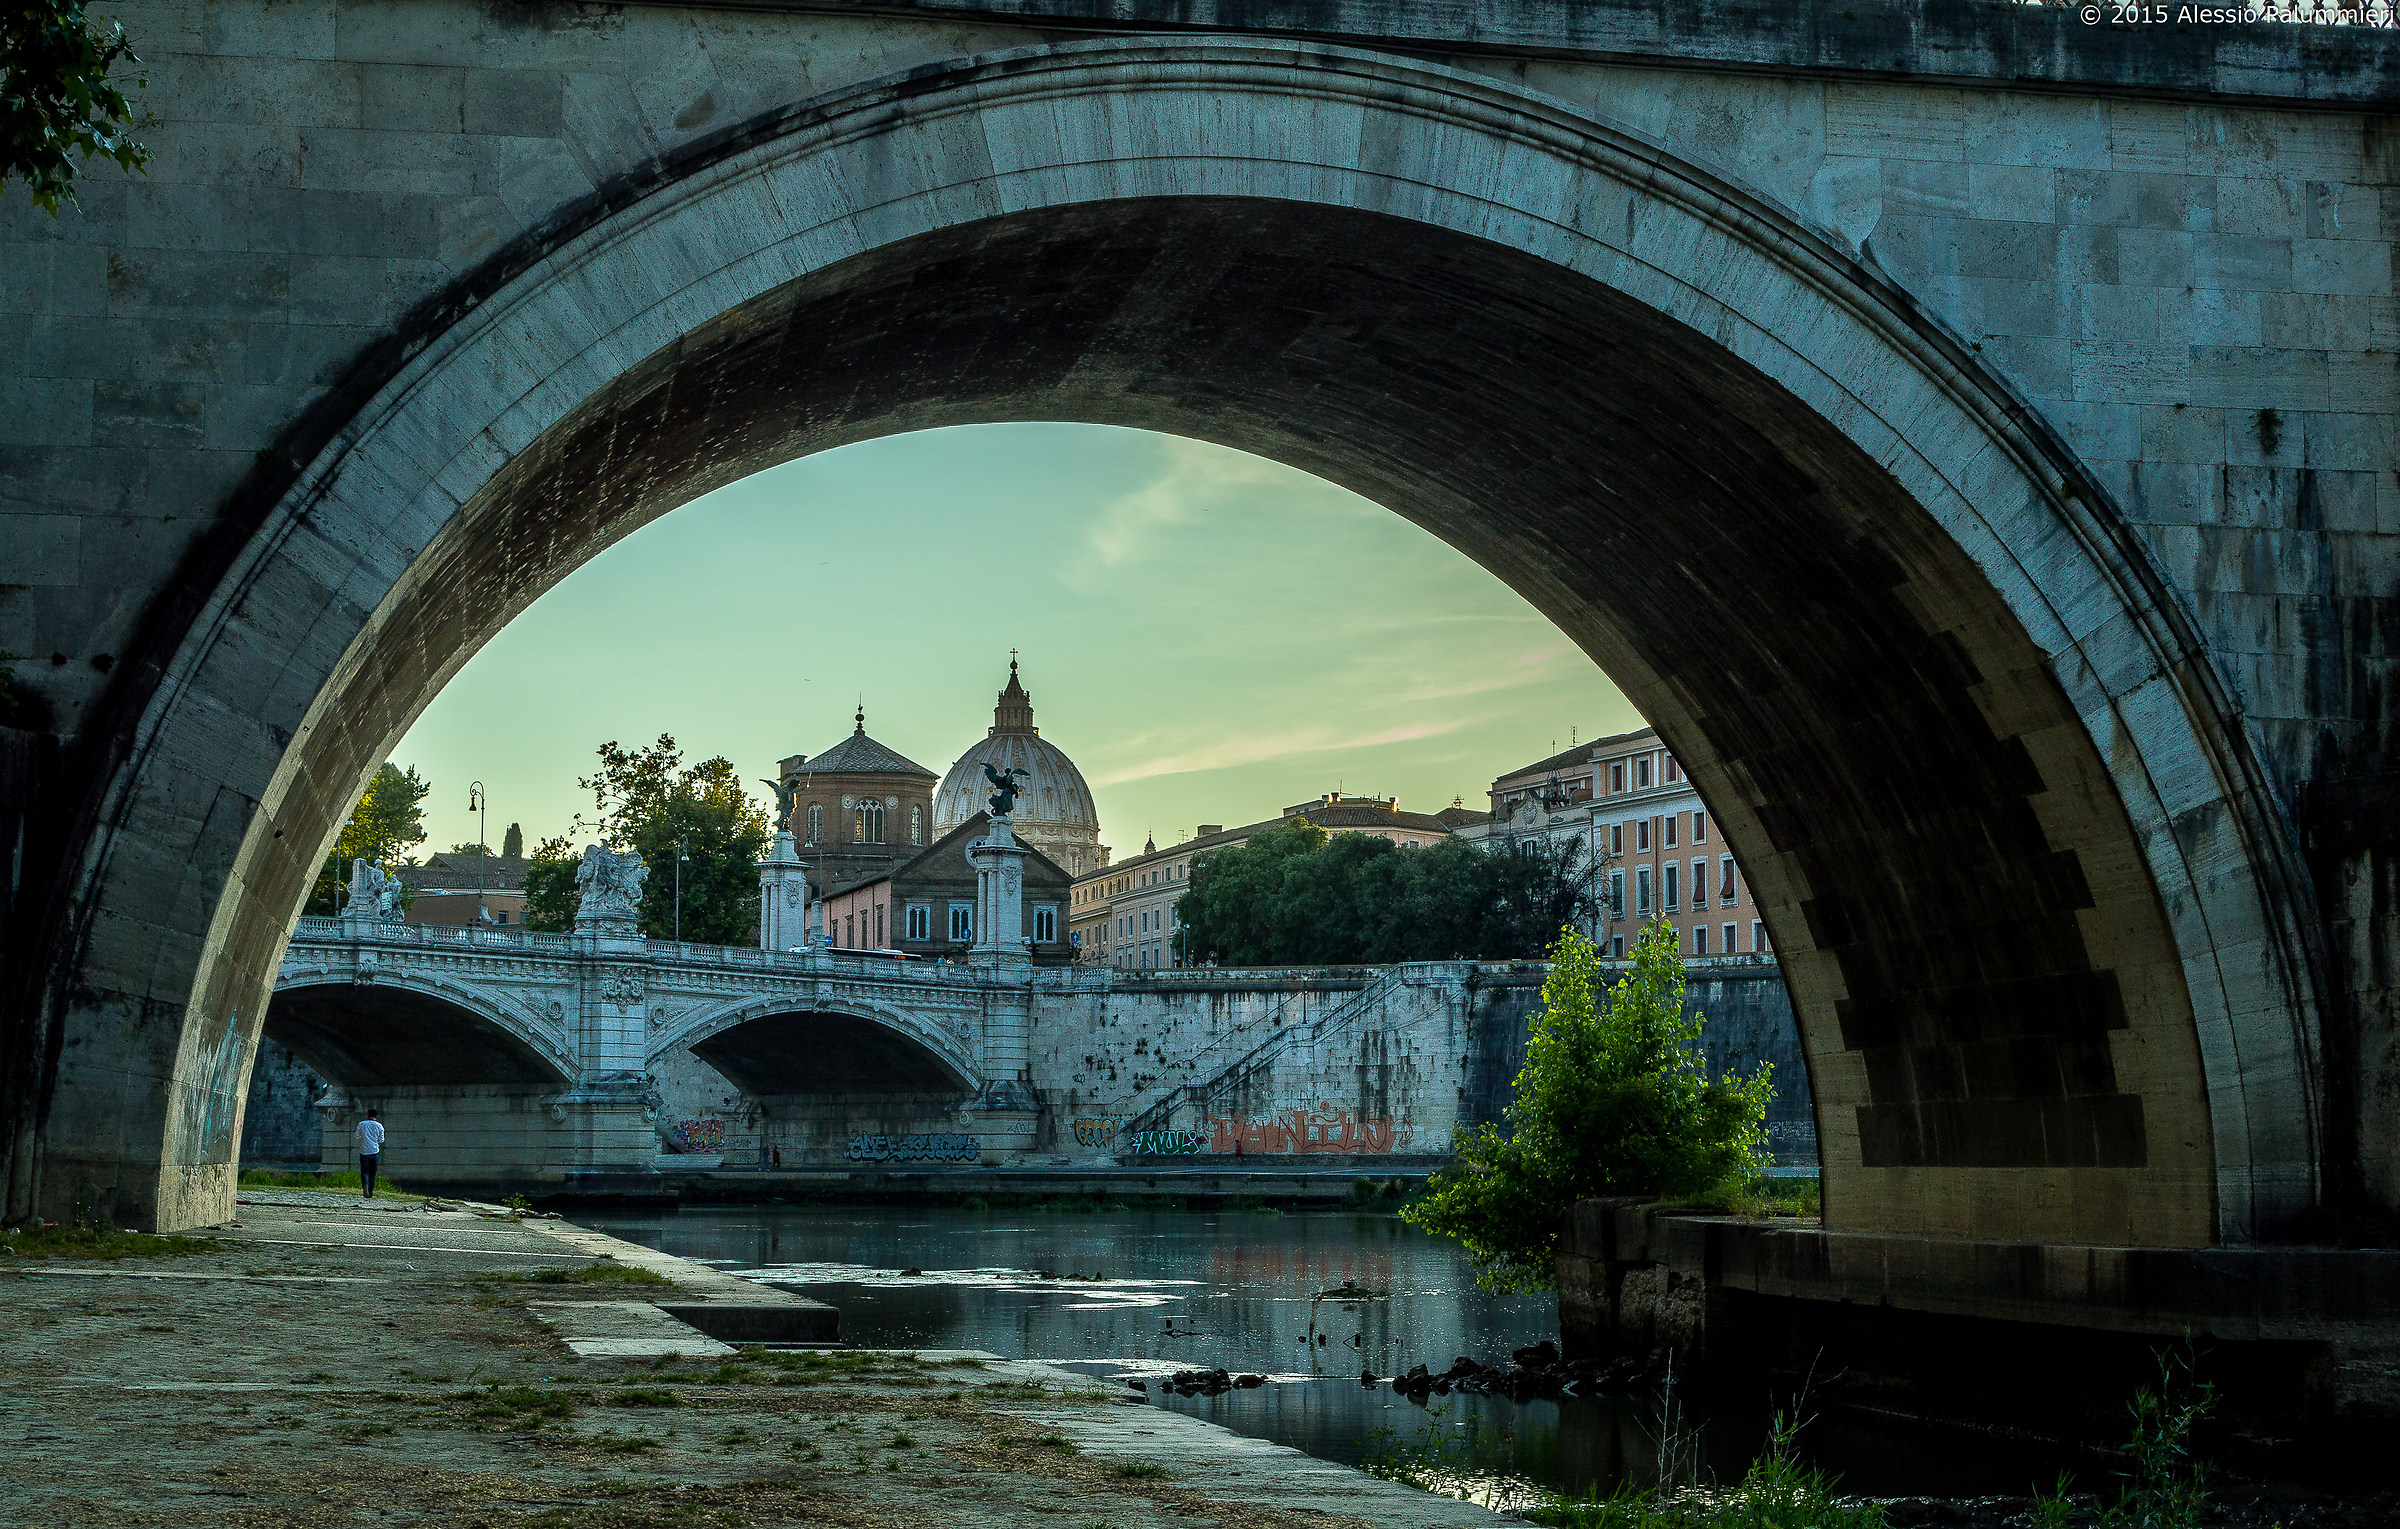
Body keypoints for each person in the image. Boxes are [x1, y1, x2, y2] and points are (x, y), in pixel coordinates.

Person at [353, 1108, 385, 1198]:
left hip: (364, 1151)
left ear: (367, 1115)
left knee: (364, 1171)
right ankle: (370, 1192)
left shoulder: (361, 1124)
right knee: (372, 1173)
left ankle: (365, 1186)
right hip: (374, 1151)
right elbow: (381, 1140)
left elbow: (356, 1136)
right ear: (376, 1116)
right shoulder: (379, 1126)